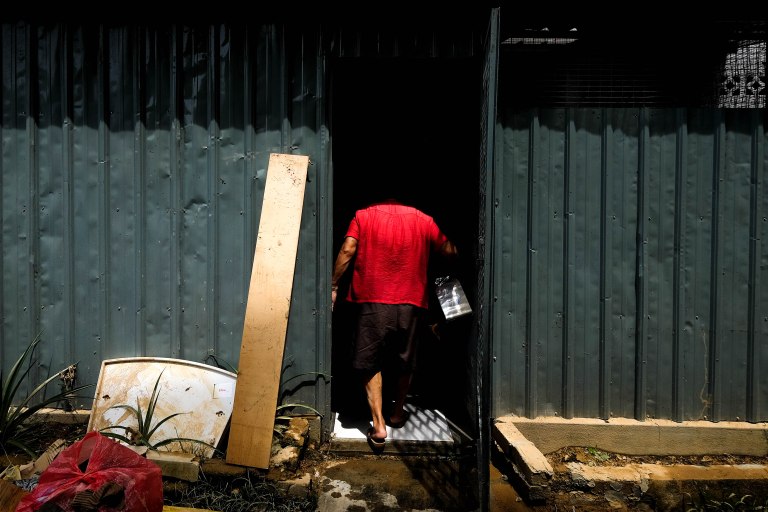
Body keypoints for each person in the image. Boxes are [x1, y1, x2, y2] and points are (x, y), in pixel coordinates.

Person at [331, 191, 458, 451]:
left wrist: (334, 285)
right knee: (405, 359)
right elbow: (449, 251)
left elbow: (347, 249)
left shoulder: (363, 216)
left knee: (369, 360)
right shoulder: (424, 220)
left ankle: (379, 425)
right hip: (412, 300)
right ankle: (397, 413)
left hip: (371, 300)